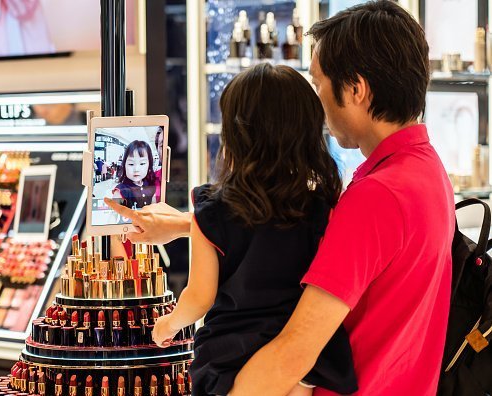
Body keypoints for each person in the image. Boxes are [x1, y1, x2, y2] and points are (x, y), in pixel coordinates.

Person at [105, 1, 455, 395]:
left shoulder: (376, 196)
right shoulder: (425, 170)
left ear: (356, 89)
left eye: (319, 83)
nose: (316, 100)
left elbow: (294, 351)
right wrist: (190, 225)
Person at [147, 63, 357, 396]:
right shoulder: (322, 206)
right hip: (305, 354)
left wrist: (168, 325)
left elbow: (199, 299)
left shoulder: (211, 210)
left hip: (231, 356)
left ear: (236, 135)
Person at [112, 140, 157, 210]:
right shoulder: (121, 190)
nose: (136, 169)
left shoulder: (151, 186)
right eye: (131, 164)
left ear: (149, 165)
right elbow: (113, 214)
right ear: (124, 165)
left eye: (142, 163)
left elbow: (154, 211)